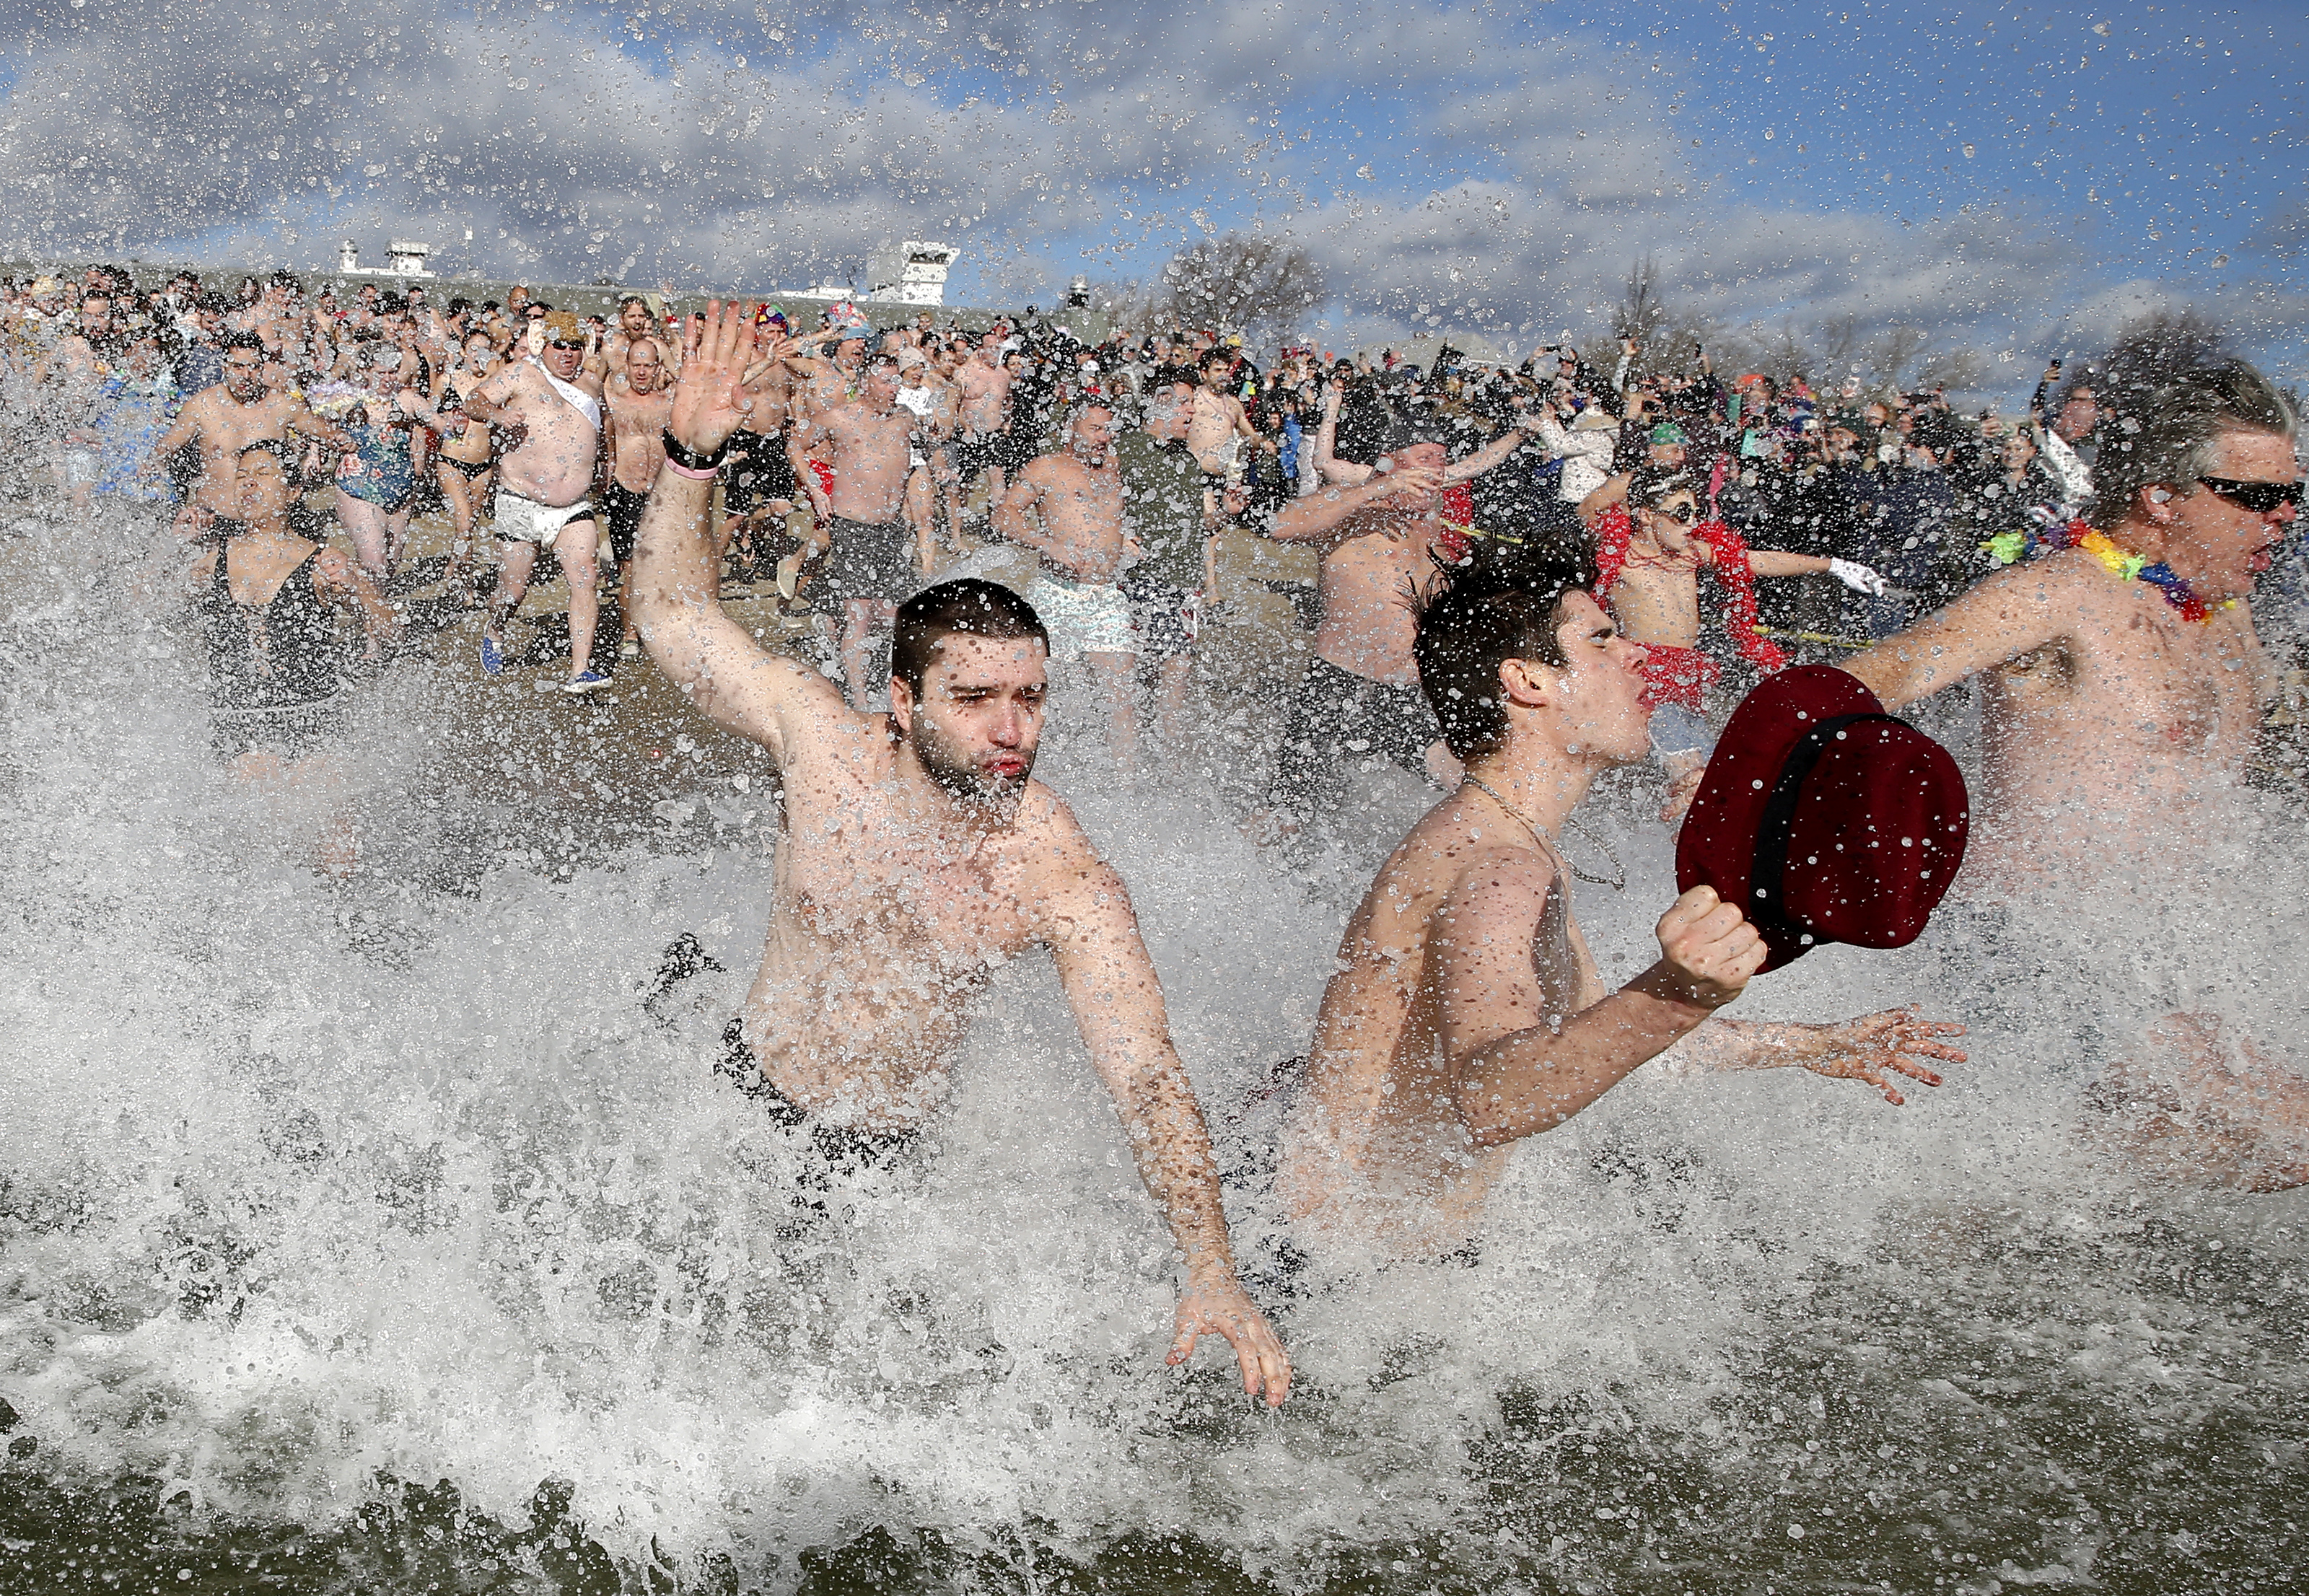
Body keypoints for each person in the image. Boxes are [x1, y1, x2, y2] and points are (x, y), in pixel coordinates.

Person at [627, 301, 1291, 1406]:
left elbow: (1144, 1073)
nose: (1012, 731)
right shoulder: (823, 746)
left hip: (876, 1155)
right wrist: (691, 460)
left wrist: (1211, 1266)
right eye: (975, 700)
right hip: (741, 1095)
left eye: (1030, 699)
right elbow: (671, 617)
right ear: (901, 700)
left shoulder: (1053, 867)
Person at [1271, 553, 1962, 1260]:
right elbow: (1497, 1096)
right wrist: (1673, 995)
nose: (1634, 652)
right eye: (1601, 639)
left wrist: (1810, 1044)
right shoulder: (1500, 869)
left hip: (1349, 1274)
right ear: (1527, 681)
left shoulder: (1502, 839)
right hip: (1333, 1290)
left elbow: (1586, 1040)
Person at [1840, 358, 2299, 891]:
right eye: (2260, 496)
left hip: (2191, 931)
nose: (2285, 515)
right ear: (2162, 498)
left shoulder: (2227, 607)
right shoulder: (2060, 593)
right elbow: (1851, 686)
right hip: (2032, 937)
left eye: (2295, 495)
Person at [1592, 468, 1889, 815]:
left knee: (1717, 774)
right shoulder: (1620, 557)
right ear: (1646, 515)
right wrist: (1636, 470)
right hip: (1646, 681)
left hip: (1686, 679)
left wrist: (1833, 565)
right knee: (1694, 779)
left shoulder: (1690, 555)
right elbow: (1590, 507)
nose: (1692, 524)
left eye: (1696, 512)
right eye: (1681, 513)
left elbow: (1754, 561)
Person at [193, 441, 398, 874]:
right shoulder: (210, 559)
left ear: (290, 492)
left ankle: (347, 936)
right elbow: (138, 614)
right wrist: (175, 546)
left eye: (263, 474)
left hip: (314, 718)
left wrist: (358, 587)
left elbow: (388, 629)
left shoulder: (322, 560)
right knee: (261, 857)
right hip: (241, 721)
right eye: (243, 476)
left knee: (338, 856)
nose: (249, 483)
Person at [462, 311, 610, 690]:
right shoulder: (518, 374)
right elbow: (473, 402)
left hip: (574, 507)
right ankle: (495, 631)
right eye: (559, 345)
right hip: (521, 502)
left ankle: (580, 670)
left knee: (585, 580)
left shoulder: (592, 384)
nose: (567, 353)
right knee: (515, 588)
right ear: (544, 345)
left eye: (575, 346)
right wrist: (498, 413)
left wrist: (607, 469)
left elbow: (604, 429)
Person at [993, 405, 1139, 749]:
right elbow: (1003, 515)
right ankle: (1039, 773)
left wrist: (1125, 538)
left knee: (1123, 699)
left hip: (1105, 596)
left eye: (1108, 429)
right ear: (1071, 429)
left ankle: (1126, 791)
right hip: (1057, 593)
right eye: (1094, 429)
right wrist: (1047, 544)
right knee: (1043, 693)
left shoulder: (1113, 468)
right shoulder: (1048, 467)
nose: (1104, 437)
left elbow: (1101, 519)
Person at [799, 349, 926, 705]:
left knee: (895, 613)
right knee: (861, 614)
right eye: (886, 381)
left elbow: (931, 443)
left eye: (896, 380)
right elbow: (796, 444)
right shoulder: (839, 417)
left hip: (893, 529)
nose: (893, 388)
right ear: (864, 383)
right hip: (853, 525)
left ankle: (832, 624)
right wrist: (815, 487)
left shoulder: (904, 418)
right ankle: (859, 700)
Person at [141, 333, 352, 545]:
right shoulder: (202, 406)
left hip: (271, 522)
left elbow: (325, 432)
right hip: (216, 519)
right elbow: (165, 449)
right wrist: (157, 477)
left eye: (253, 367)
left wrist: (340, 439)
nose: (246, 375)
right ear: (224, 367)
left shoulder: (281, 405)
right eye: (238, 367)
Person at [600, 335, 675, 659]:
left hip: (661, 495)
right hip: (625, 491)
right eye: (636, 365)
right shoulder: (614, 399)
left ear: (658, 367)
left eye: (648, 365)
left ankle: (657, 627)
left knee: (662, 568)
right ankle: (630, 632)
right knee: (631, 569)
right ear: (625, 366)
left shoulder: (669, 401)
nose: (642, 372)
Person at [331, 341, 430, 582]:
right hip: (357, 486)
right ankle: (371, 612)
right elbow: (314, 421)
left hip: (400, 488)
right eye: (380, 373)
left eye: (392, 372)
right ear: (366, 372)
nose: (387, 378)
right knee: (375, 565)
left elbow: (433, 426)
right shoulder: (347, 398)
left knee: (389, 566)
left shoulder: (407, 400)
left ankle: (369, 612)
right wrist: (321, 447)